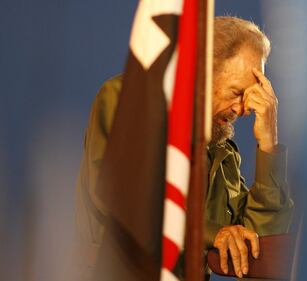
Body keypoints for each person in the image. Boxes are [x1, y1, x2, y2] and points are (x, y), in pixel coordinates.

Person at [75, 16, 293, 280]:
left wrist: (268, 146)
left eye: (249, 98)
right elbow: (124, 199)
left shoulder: (221, 153)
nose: (242, 110)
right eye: (237, 93)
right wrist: (214, 233)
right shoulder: (128, 99)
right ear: (203, 71)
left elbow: (257, 248)